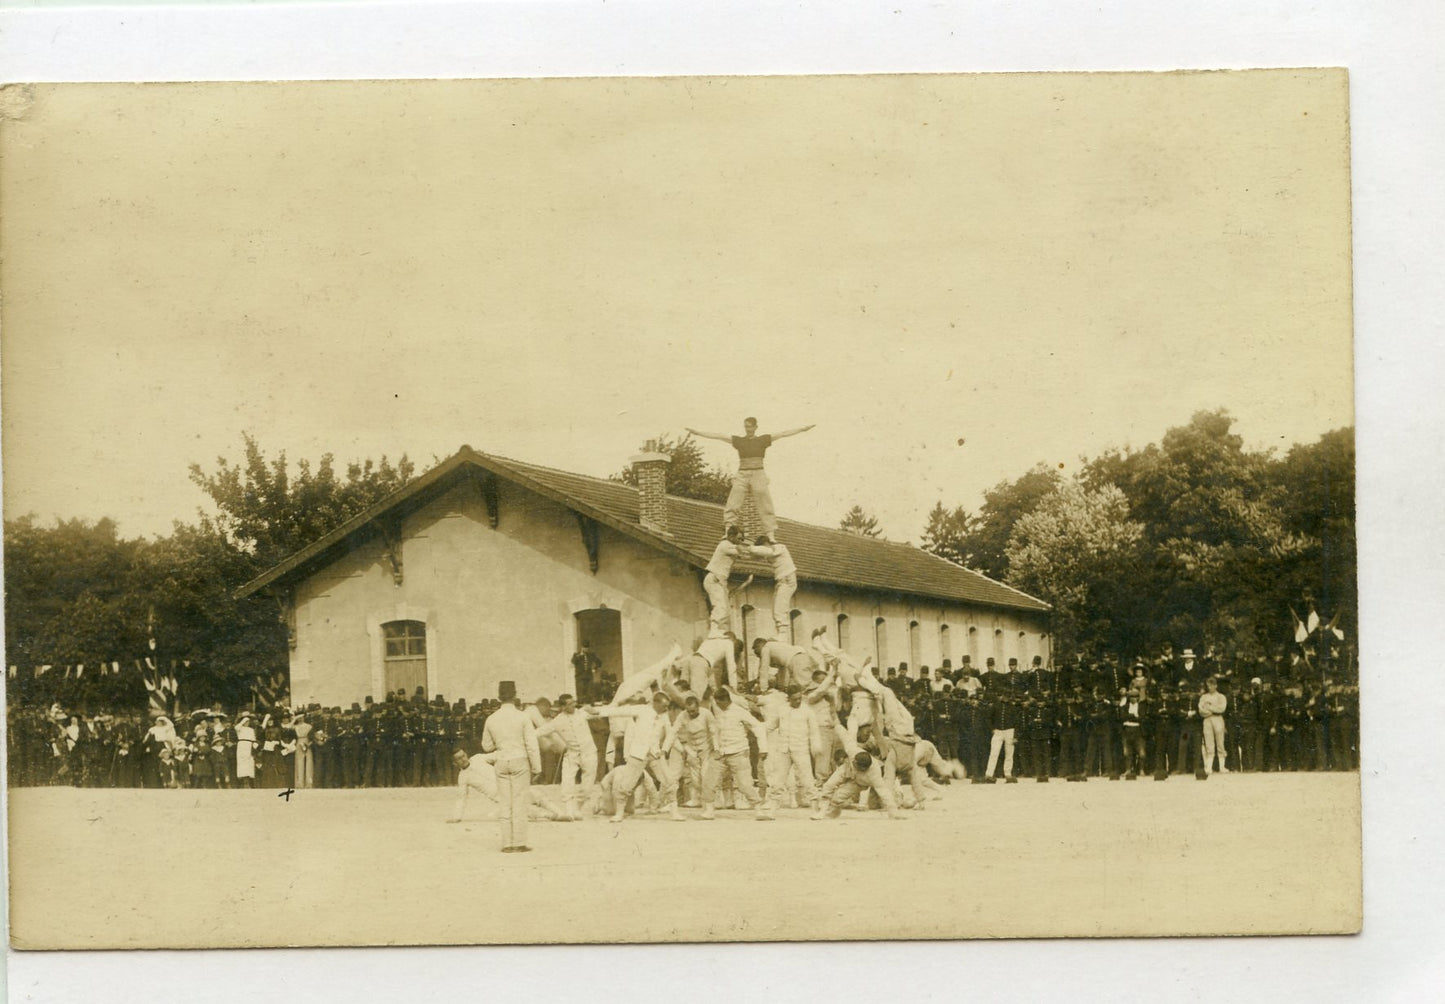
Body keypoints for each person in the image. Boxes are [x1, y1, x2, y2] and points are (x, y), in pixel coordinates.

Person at [687, 416, 815, 537]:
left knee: (764, 501)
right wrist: (698, 432)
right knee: (733, 501)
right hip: (742, 473)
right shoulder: (739, 441)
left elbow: (783, 434)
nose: (747, 430)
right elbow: (719, 436)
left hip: (758, 473)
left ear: (755, 427)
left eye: (749, 427)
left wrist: (803, 429)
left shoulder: (763, 440)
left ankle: (770, 534)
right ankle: (728, 531)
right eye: (745, 427)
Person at [587, 691, 685, 823]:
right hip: (638, 753)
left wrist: (665, 750)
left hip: (655, 753)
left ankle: (674, 812)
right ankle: (619, 813)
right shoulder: (642, 710)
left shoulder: (664, 716)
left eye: (667, 706)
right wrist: (598, 711)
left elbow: (670, 733)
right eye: (664, 705)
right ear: (655, 703)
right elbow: (620, 711)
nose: (666, 708)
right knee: (627, 784)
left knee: (669, 781)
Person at [480, 681, 543, 852]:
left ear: (499, 697)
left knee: (505, 803)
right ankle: (520, 842)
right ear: (515, 695)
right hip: (520, 760)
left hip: (501, 761)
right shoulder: (522, 717)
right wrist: (537, 768)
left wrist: (501, 743)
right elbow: (531, 745)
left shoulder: (491, 719)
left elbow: (486, 746)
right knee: (519, 803)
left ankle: (507, 844)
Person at [447, 749, 568, 824]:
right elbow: (461, 798)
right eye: (458, 759)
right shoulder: (462, 777)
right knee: (523, 809)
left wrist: (508, 750)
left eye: (463, 755)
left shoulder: (478, 758)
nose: (462, 759)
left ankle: (561, 813)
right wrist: (456, 817)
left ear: (466, 754)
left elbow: (496, 755)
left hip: (509, 783)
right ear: (454, 763)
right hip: (499, 796)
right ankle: (551, 816)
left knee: (536, 795)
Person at [708, 687, 774, 819]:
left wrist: (763, 748)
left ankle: (759, 810)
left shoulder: (740, 712)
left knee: (745, 784)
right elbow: (715, 732)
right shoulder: (719, 712)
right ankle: (709, 810)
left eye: (719, 702)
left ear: (726, 700)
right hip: (721, 753)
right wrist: (716, 748)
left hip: (739, 752)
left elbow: (758, 727)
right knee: (710, 780)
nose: (717, 705)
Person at [536, 693, 598, 819]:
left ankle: (578, 809)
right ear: (563, 707)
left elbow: (602, 713)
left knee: (587, 786)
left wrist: (595, 710)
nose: (573, 705)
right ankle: (570, 811)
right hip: (572, 754)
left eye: (574, 702)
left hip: (589, 752)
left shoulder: (582, 713)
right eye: (570, 704)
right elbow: (539, 732)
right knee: (567, 783)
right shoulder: (558, 721)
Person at [812, 751, 905, 820]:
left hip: (860, 783)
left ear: (865, 768)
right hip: (847, 770)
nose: (856, 766)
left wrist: (894, 811)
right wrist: (837, 725)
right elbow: (844, 734)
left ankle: (894, 811)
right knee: (830, 787)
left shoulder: (874, 774)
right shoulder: (852, 749)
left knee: (839, 796)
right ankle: (826, 812)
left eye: (860, 767)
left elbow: (884, 792)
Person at [750, 534, 798, 638]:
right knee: (776, 609)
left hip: (787, 580)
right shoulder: (770, 552)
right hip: (782, 581)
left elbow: (765, 551)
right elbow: (755, 556)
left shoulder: (779, 547)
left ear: (766, 544)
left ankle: (783, 635)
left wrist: (749, 547)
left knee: (780, 608)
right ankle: (780, 633)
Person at [703, 528, 749, 635]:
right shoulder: (724, 544)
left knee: (726, 610)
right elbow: (741, 549)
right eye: (739, 538)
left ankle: (717, 629)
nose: (740, 541)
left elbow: (745, 554)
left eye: (742, 539)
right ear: (731, 537)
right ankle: (714, 631)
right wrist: (753, 547)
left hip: (719, 581)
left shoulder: (732, 547)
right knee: (720, 606)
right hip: (714, 579)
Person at [753, 636, 821, 691]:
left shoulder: (765, 648)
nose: (758, 656)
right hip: (806, 656)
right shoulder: (777, 645)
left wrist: (763, 689)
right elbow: (782, 669)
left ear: (759, 646)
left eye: (757, 653)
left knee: (806, 687)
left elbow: (764, 669)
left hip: (797, 662)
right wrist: (782, 687)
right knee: (818, 682)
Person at [1198, 676, 1229, 776]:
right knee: (1209, 743)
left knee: (1220, 742)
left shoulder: (1221, 697)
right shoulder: (1203, 697)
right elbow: (1201, 710)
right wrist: (1209, 711)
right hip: (1207, 720)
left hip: (1218, 719)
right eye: (1208, 685)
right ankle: (1209, 767)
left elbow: (1222, 709)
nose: (1210, 687)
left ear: (1216, 686)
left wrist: (1210, 707)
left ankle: (1222, 767)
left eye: (1212, 685)